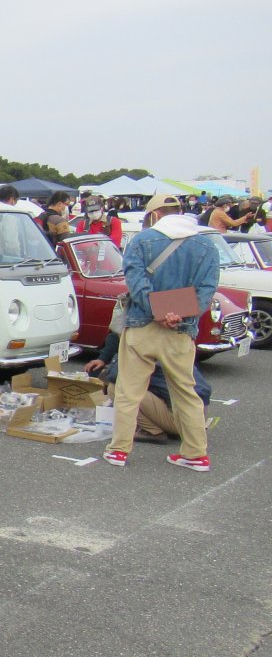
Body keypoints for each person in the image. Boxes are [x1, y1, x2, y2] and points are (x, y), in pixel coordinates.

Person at [103, 191, 221, 471]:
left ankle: (119, 450)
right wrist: (177, 313)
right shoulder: (206, 246)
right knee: (185, 392)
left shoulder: (142, 241)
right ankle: (196, 454)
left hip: (143, 326)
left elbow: (135, 281)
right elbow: (206, 290)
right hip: (180, 330)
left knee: (129, 391)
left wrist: (158, 310)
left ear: (154, 215)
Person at [87, 328, 210, 441]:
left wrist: (104, 374)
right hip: (197, 415)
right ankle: (180, 429)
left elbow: (116, 376)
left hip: (182, 419)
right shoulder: (166, 342)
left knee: (116, 388)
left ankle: (152, 431)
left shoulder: (140, 351)